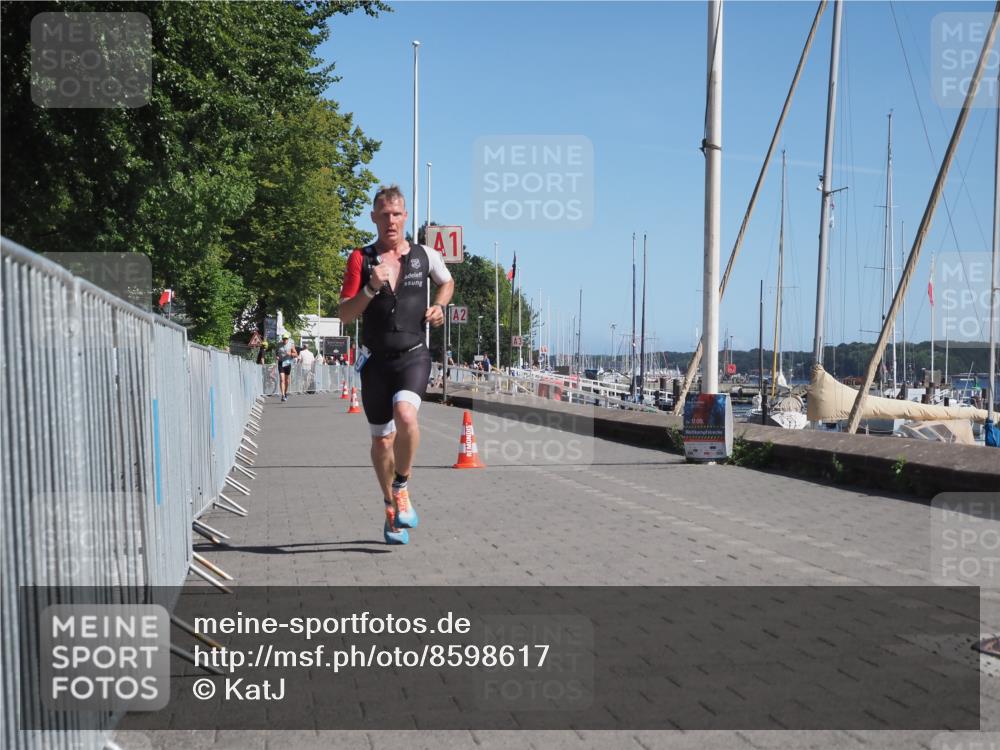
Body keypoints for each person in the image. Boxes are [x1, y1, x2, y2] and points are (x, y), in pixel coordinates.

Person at [338, 184, 454, 545]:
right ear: (374, 217)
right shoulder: (361, 258)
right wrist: (370, 288)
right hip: (375, 361)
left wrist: (439, 307)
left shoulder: (424, 255)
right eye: (384, 214)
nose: (391, 221)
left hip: (413, 354)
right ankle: (390, 507)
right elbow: (344, 315)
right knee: (382, 442)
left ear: (406, 217)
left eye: (397, 214)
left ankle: (402, 485)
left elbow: (447, 283)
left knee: (406, 416)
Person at [276, 335, 298, 402]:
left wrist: (291, 354)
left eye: (286, 339)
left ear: (288, 339)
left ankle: (285, 393)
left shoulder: (291, 345)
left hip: (287, 362)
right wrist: (276, 356)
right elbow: (276, 352)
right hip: (281, 362)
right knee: (282, 379)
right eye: (284, 339)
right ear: (282, 339)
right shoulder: (279, 345)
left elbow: (296, 354)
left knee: (287, 380)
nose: (285, 340)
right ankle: (282, 395)